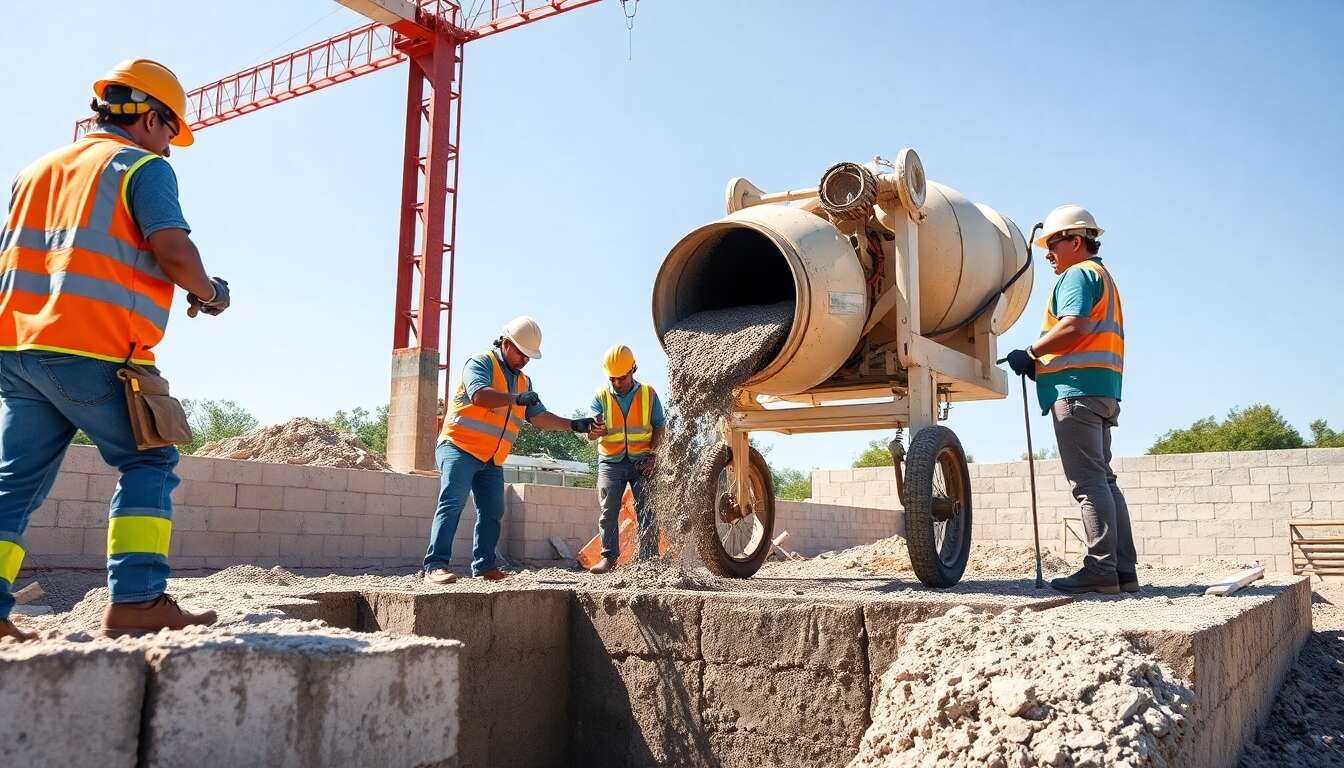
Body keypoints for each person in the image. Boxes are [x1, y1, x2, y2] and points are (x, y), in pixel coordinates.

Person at [0, 59, 229, 641]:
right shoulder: (140, 167)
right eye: (170, 133)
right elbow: (174, 251)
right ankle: (138, 600)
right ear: (151, 118)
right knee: (149, 459)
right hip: (93, 347)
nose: (171, 149)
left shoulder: (38, 169)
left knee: (14, 484)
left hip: (17, 348)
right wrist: (209, 293)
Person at [1006, 204, 1134, 596]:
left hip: (1076, 392)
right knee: (1105, 481)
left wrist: (1031, 353)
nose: (1047, 253)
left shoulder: (1077, 274)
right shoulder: (1102, 276)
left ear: (1075, 241)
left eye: (1053, 244)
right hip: (1102, 390)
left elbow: (1074, 325)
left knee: (1089, 483)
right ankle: (1122, 571)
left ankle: (1100, 569)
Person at [423, 316, 601, 583]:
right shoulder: (481, 362)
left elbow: (539, 417)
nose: (525, 360)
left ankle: (484, 567)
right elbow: (479, 395)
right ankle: (435, 566)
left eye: (530, 356)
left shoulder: (523, 383)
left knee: (493, 510)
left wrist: (575, 425)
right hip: (458, 446)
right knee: (452, 502)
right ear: (506, 343)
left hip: (491, 458)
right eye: (522, 353)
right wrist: (515, 399)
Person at [586, 344, 665, 574]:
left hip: (643, 461)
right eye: (613, 379)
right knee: (608, 510)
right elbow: (590, 433)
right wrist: (594, 431)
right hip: (611, 462)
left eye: (622, 378)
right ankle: (609, 559)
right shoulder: (601, 397)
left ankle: (649, 560)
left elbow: (660, 428)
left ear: (633, 370)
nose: (617, 383)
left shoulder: (648, 394)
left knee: (648, 510)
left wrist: (653, 455)